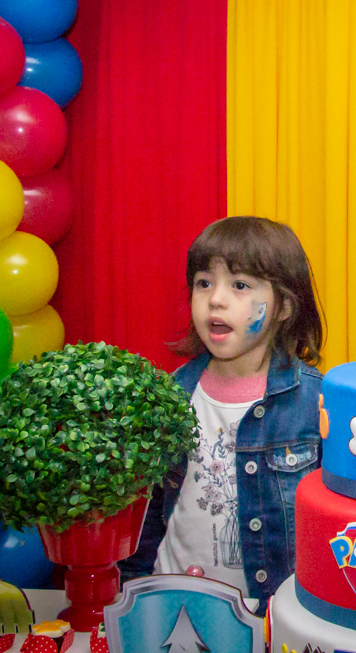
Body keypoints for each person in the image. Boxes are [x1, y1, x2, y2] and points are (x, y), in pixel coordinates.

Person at [121, 216, 325, 612]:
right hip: (171, 604)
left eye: (240, 285)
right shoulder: (170, 395)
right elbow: (145, 516)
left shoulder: (313, 401)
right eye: (204, 283)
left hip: (267, 614)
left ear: (283, 306)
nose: (216, 299)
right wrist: (130, 593)